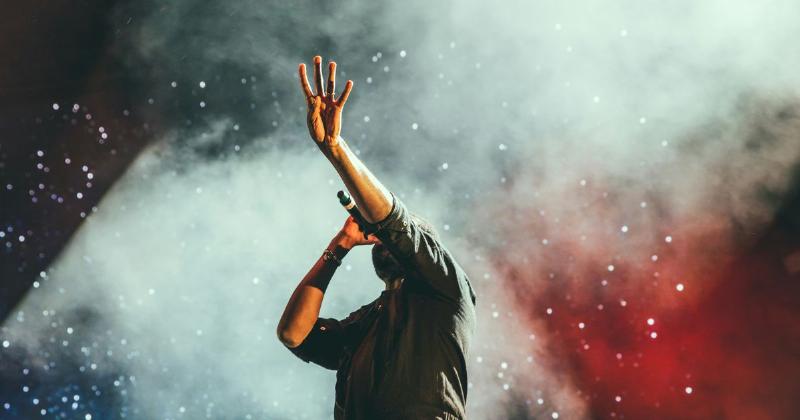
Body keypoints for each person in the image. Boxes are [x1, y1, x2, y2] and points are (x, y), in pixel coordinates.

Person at [277, 55, 477, 420]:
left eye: (392, 235)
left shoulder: (447, 288)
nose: (382, 238)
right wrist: (339, 245)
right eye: (380, 236)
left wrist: (336, 150)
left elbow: (395, 223)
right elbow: (293, 334)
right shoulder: (366, 321)